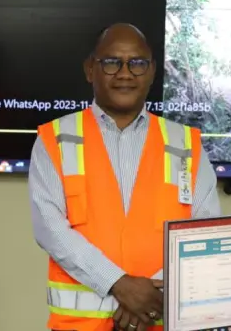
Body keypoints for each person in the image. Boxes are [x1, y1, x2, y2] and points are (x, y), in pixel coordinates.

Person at [28, 23, 221, 331]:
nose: (125, 73)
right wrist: (119, 283)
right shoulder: (55, 139)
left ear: (152, 71)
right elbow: (50, 229)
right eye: (112, 62)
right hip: (80, 326)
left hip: (162, 323)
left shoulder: (186, 144)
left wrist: (151, 301)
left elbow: (205, 235)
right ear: (90, 69)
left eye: (137, 63)